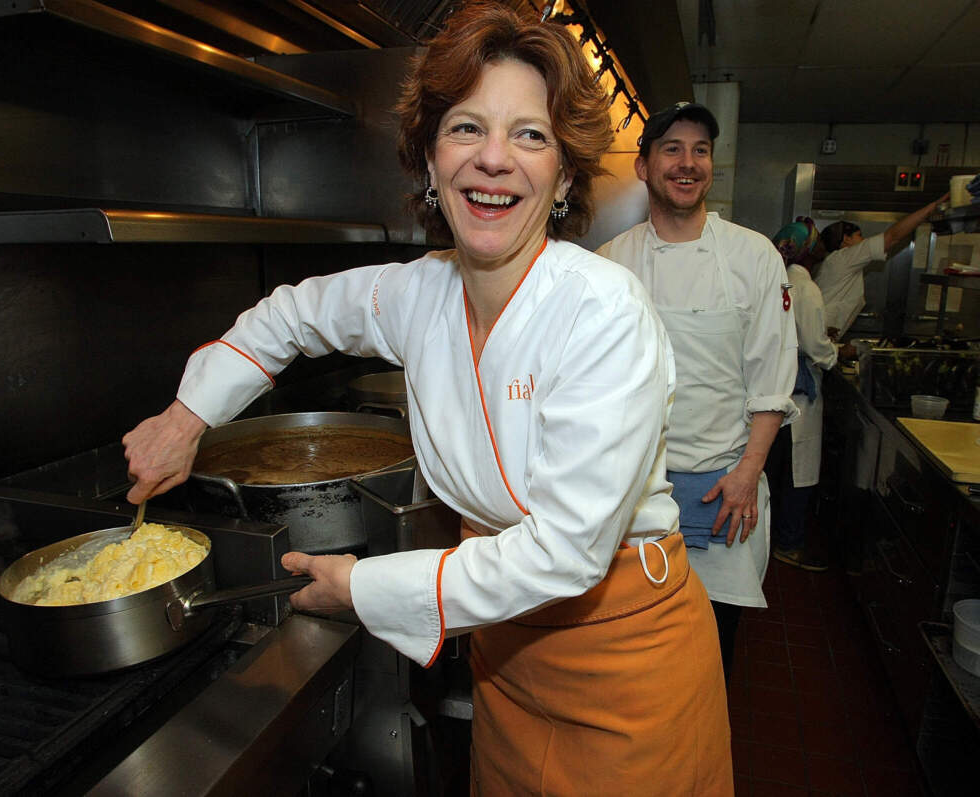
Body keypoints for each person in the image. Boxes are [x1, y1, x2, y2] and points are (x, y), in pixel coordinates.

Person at [121, 6, 732, 795]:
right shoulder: (419, 293)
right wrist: (185, 417)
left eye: (530, 136)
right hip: (507, 659)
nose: (493, 160)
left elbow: (567, 551)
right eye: (466, 129)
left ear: (565, 177)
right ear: (431, 161)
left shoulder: (602, 311)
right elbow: (290, 315)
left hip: (626, 663)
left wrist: (365, 587)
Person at [596, 101, 798, 682]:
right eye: (672, 149)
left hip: (723, 486)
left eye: (700, 150)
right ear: (643, 167)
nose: (688, 163)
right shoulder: (612, 263)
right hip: (636, 491)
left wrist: (746, 473)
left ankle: (698, 765)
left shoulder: (752, 255)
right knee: (636, 647)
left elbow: (772, 375)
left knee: (711, 652)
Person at [766, 218, 838, 571]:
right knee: (797, 473)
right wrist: (835, 353)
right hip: (799, 397)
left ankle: (770, 537)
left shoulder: (774, 279)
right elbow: (815, 345)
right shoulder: (805, 288)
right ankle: (789, 543)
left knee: (775, 471)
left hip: (774, 390)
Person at [816, 191, 948, 340]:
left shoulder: (836, 262)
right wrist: (931, 208)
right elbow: (892, 237)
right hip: (819, 339)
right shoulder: (844, 257)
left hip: (822, 337)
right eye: (859, 235)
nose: (863, 240)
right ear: (846, 239)